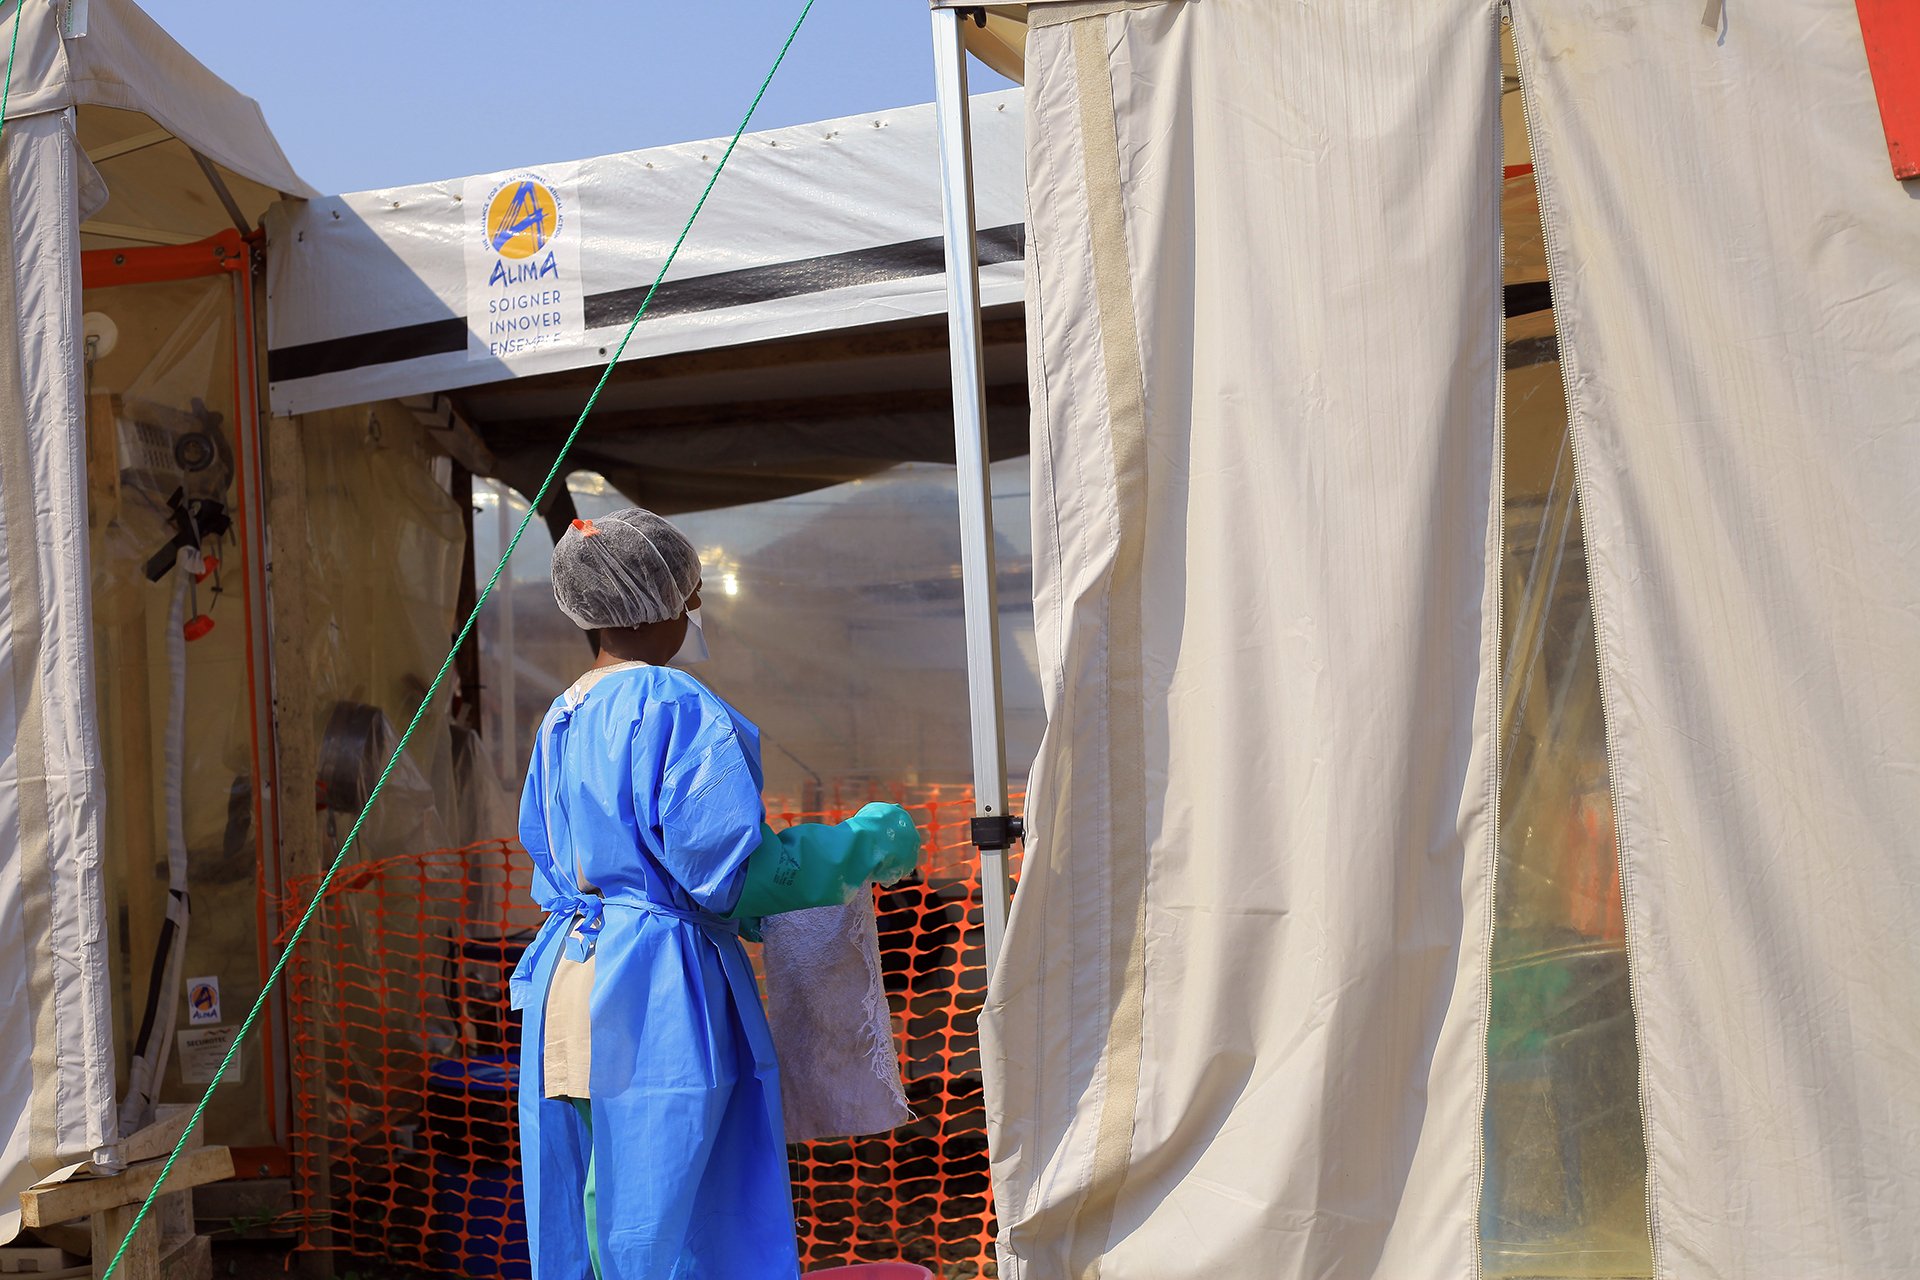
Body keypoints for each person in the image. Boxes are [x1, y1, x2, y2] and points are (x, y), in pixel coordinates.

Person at [510, 508, 922, 1279]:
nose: (696, 612)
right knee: (684, 1206)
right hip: (655, 986)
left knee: (600, 1200)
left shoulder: (562, 716)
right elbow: (733, 876)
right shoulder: (675, 705)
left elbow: (572, 857)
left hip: (569, 976)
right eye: (692, 595)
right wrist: (863, 842)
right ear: (665, 602)